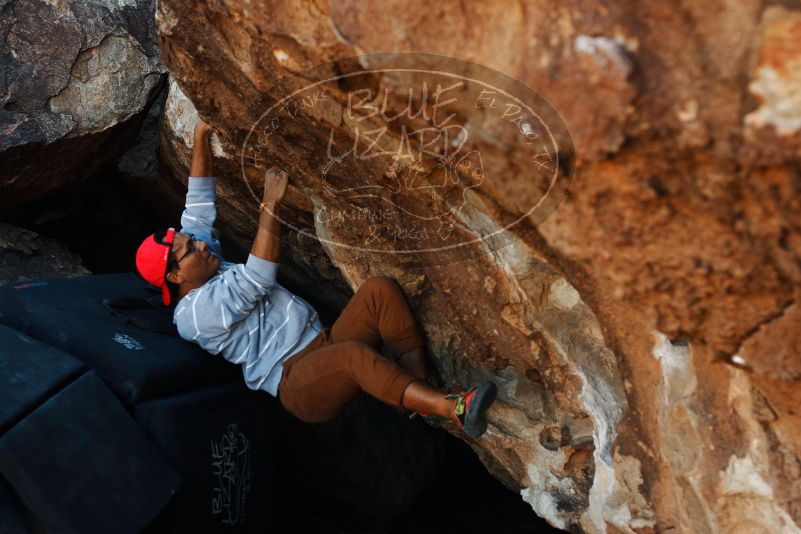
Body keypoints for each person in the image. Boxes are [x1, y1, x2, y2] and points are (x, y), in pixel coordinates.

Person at [134, 120, 497, 438]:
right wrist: (270, 205)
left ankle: (422, 392)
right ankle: (454, 409)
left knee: (378, 293)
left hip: (323, 341)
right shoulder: (195, 316)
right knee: (353, 357)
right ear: (176, 275)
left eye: (194, 241)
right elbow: (257, 279)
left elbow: (197, 205)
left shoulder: (200, 261)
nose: (199, 243)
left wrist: (201, 133)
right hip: (297, 382)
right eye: (190, 249)